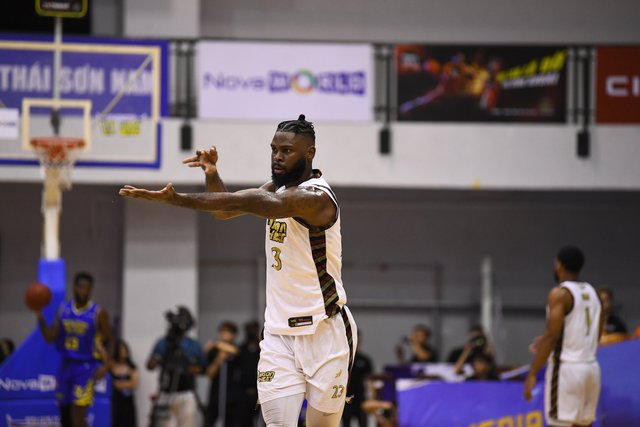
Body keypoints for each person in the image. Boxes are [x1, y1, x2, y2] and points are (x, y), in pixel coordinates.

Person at [120, 114, 357, 427]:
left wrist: (177, 199)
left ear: (309, 153)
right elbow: (224, 210)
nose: (277, 156)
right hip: (278, 334)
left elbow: (244, 202)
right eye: (274, 149)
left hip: (323, 330)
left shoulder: (315, 198)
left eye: (287, 150)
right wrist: (212, 174)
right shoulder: (275, 189)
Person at [524, 246, 605, 427]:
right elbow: (596, 334)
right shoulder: (594, 293)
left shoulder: (559, 294)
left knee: (559, 423)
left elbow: (552, 336)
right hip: (591, 369)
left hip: (567, 370)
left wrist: (532, 373)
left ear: (558, 265)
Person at [33, 272, 115, 427]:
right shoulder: (63, 309)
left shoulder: (98, 312)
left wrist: (106, 366)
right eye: (81, 287)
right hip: (65, 366)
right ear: (75, 287)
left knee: (78, 418)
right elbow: (49, 337)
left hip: (85, 368)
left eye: (88, 288)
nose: (84, 291)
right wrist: (40, 317)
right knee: (65, 417)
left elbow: (111, 339)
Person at [147, 306, 206, 427]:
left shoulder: (193, 345)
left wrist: (187, 368)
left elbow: (203, 368)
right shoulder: (163, 343)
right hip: (166, 392)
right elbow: (150, 365)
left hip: (186, 392)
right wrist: (159, 360)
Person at [205, 321, 240, 427]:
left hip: (231, 396)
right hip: (215, 393)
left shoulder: (237, 348)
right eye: (222, 332)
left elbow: (234, 351)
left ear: (234, 335)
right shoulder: (214, 351)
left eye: (228, 332)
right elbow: (210, 373)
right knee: (209, 421)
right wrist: (219, 359)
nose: (224, 335)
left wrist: (218, 344)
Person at [341, 331, 373, 427]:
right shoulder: (342, 360)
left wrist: (371, 398)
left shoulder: (365, 360)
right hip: (345, 398)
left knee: (363, 422)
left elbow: (370, 381)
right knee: (346, 423)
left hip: (360, 398)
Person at [235, 320, 262, 427]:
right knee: (244, 421)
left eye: (253, 330)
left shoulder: (262, 349)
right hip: (243, 392)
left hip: (259, 392)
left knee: (261, 420)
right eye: (249, 330)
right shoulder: (241, 349)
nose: (251, 332)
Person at [111, 339, 139, 427]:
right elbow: (111, 383)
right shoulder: (112, 366)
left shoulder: (131, 367)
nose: (122, 353)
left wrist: (120, 384)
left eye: (124, 350)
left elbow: (134, 384)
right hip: (115, 401)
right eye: (120, 350)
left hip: (127, 402)